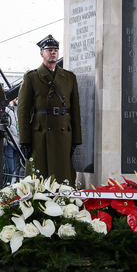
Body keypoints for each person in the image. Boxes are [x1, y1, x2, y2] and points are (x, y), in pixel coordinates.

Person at [17, 34, 81, 184]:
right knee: (39, 177)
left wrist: (76, 139)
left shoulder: (69, 77)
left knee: (62, 177)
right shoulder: (31, 77)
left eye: (56, 50)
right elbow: (23, 111)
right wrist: (24, 140)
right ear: (42, 53)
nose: (53, 52)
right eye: (49, 49)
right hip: (40, 134)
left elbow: (76, 110)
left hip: (63, 133)